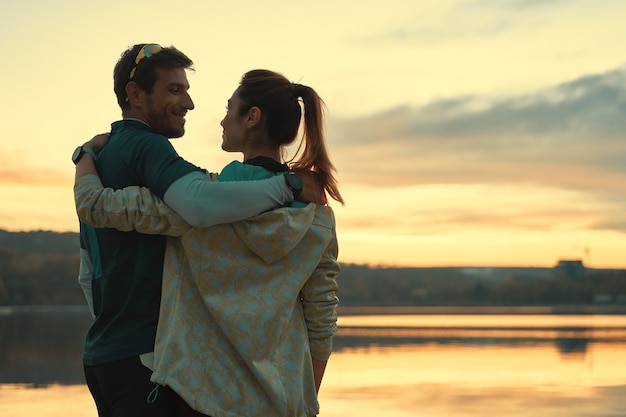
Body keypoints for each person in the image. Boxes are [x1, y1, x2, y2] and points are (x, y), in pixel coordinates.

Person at [74, 69, 342, 416]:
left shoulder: (196, 207)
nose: (222, 119)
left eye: (229, 108)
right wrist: (303, 396)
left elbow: (101, 208)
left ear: (252, 118)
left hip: (206, 398)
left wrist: (85, 156)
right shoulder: (318, 219)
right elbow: (322, 318)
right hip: (284, 400)